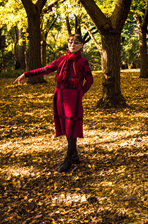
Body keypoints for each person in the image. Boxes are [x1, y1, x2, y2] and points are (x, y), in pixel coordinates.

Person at [14, 34, 93, 173]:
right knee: (66, 127)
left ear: (81, 45)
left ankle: (68, 159)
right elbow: (45, 69)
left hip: (73, 98)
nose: (72, 45)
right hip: (60, 97)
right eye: (70, 42)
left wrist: (80, 94)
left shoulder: (83, 62)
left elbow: (90, 80)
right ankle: (74, 155)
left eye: (76, 42)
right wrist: (26, 74)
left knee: (72, 127)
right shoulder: (61, 60)